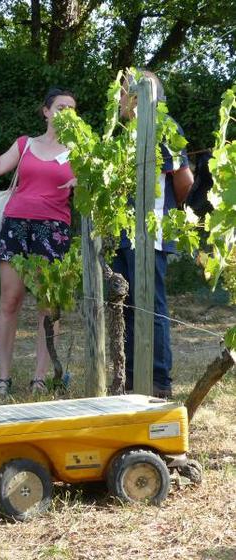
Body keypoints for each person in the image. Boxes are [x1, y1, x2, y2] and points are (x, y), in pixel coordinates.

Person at [0, 88, 77, 396]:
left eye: (71, 108)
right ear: (46, 111)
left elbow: (93, 187)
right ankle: (3, 377)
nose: (66, 112)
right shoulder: (25, 144)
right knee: (10, 301)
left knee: (48, 306)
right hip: (16, 226)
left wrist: (84, 180)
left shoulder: (79, 149)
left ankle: (39, 377)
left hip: (54, 229)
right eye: (60, 107)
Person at [114, 70, 193, 398]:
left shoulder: (164, 126)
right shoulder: (122, 132)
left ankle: (158, 381)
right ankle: (131, 375)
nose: (120, 98)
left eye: (126, 92)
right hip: (122, 232)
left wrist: (162, 214)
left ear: (143, 95)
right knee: (127, 304)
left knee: (151, 304)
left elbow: (184, 180)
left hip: (151, 231)